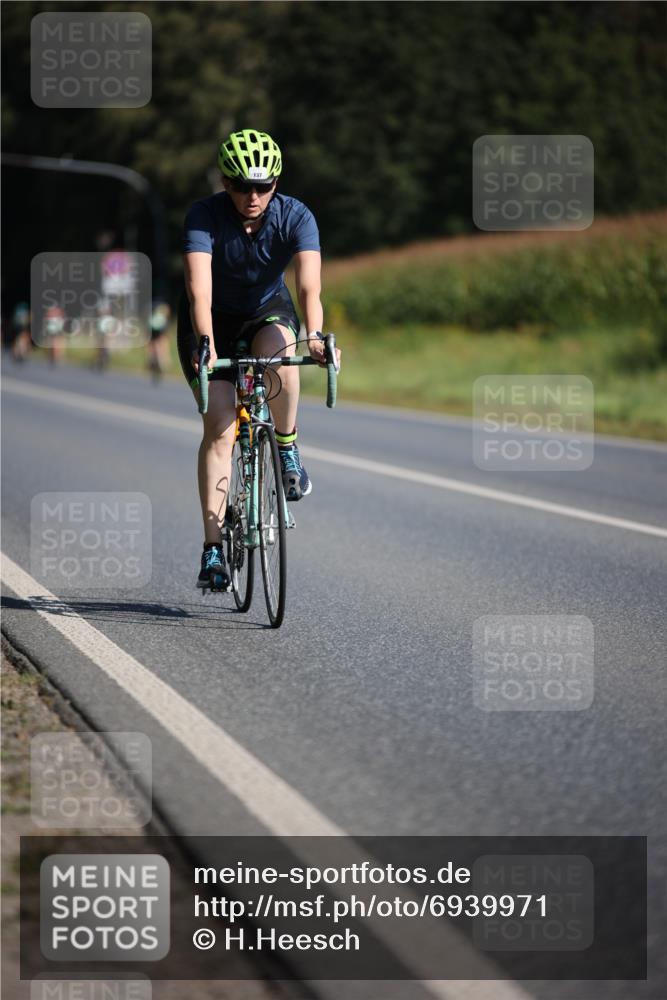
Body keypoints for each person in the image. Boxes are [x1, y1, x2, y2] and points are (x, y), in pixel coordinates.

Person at [178, 128, 340, 591]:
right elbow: (198, 290)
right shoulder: (203, 216)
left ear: (276, 183)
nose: (253, 196)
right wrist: (206, 345)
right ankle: (212, 548)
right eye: (242, 186)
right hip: (210, 322)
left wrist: (313, 336)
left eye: (263, 186)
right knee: (222, 427)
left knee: (281, 359)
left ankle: (287, 448)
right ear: (225, 183)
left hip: (267, 311)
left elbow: (310, 286)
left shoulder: (296, 215)